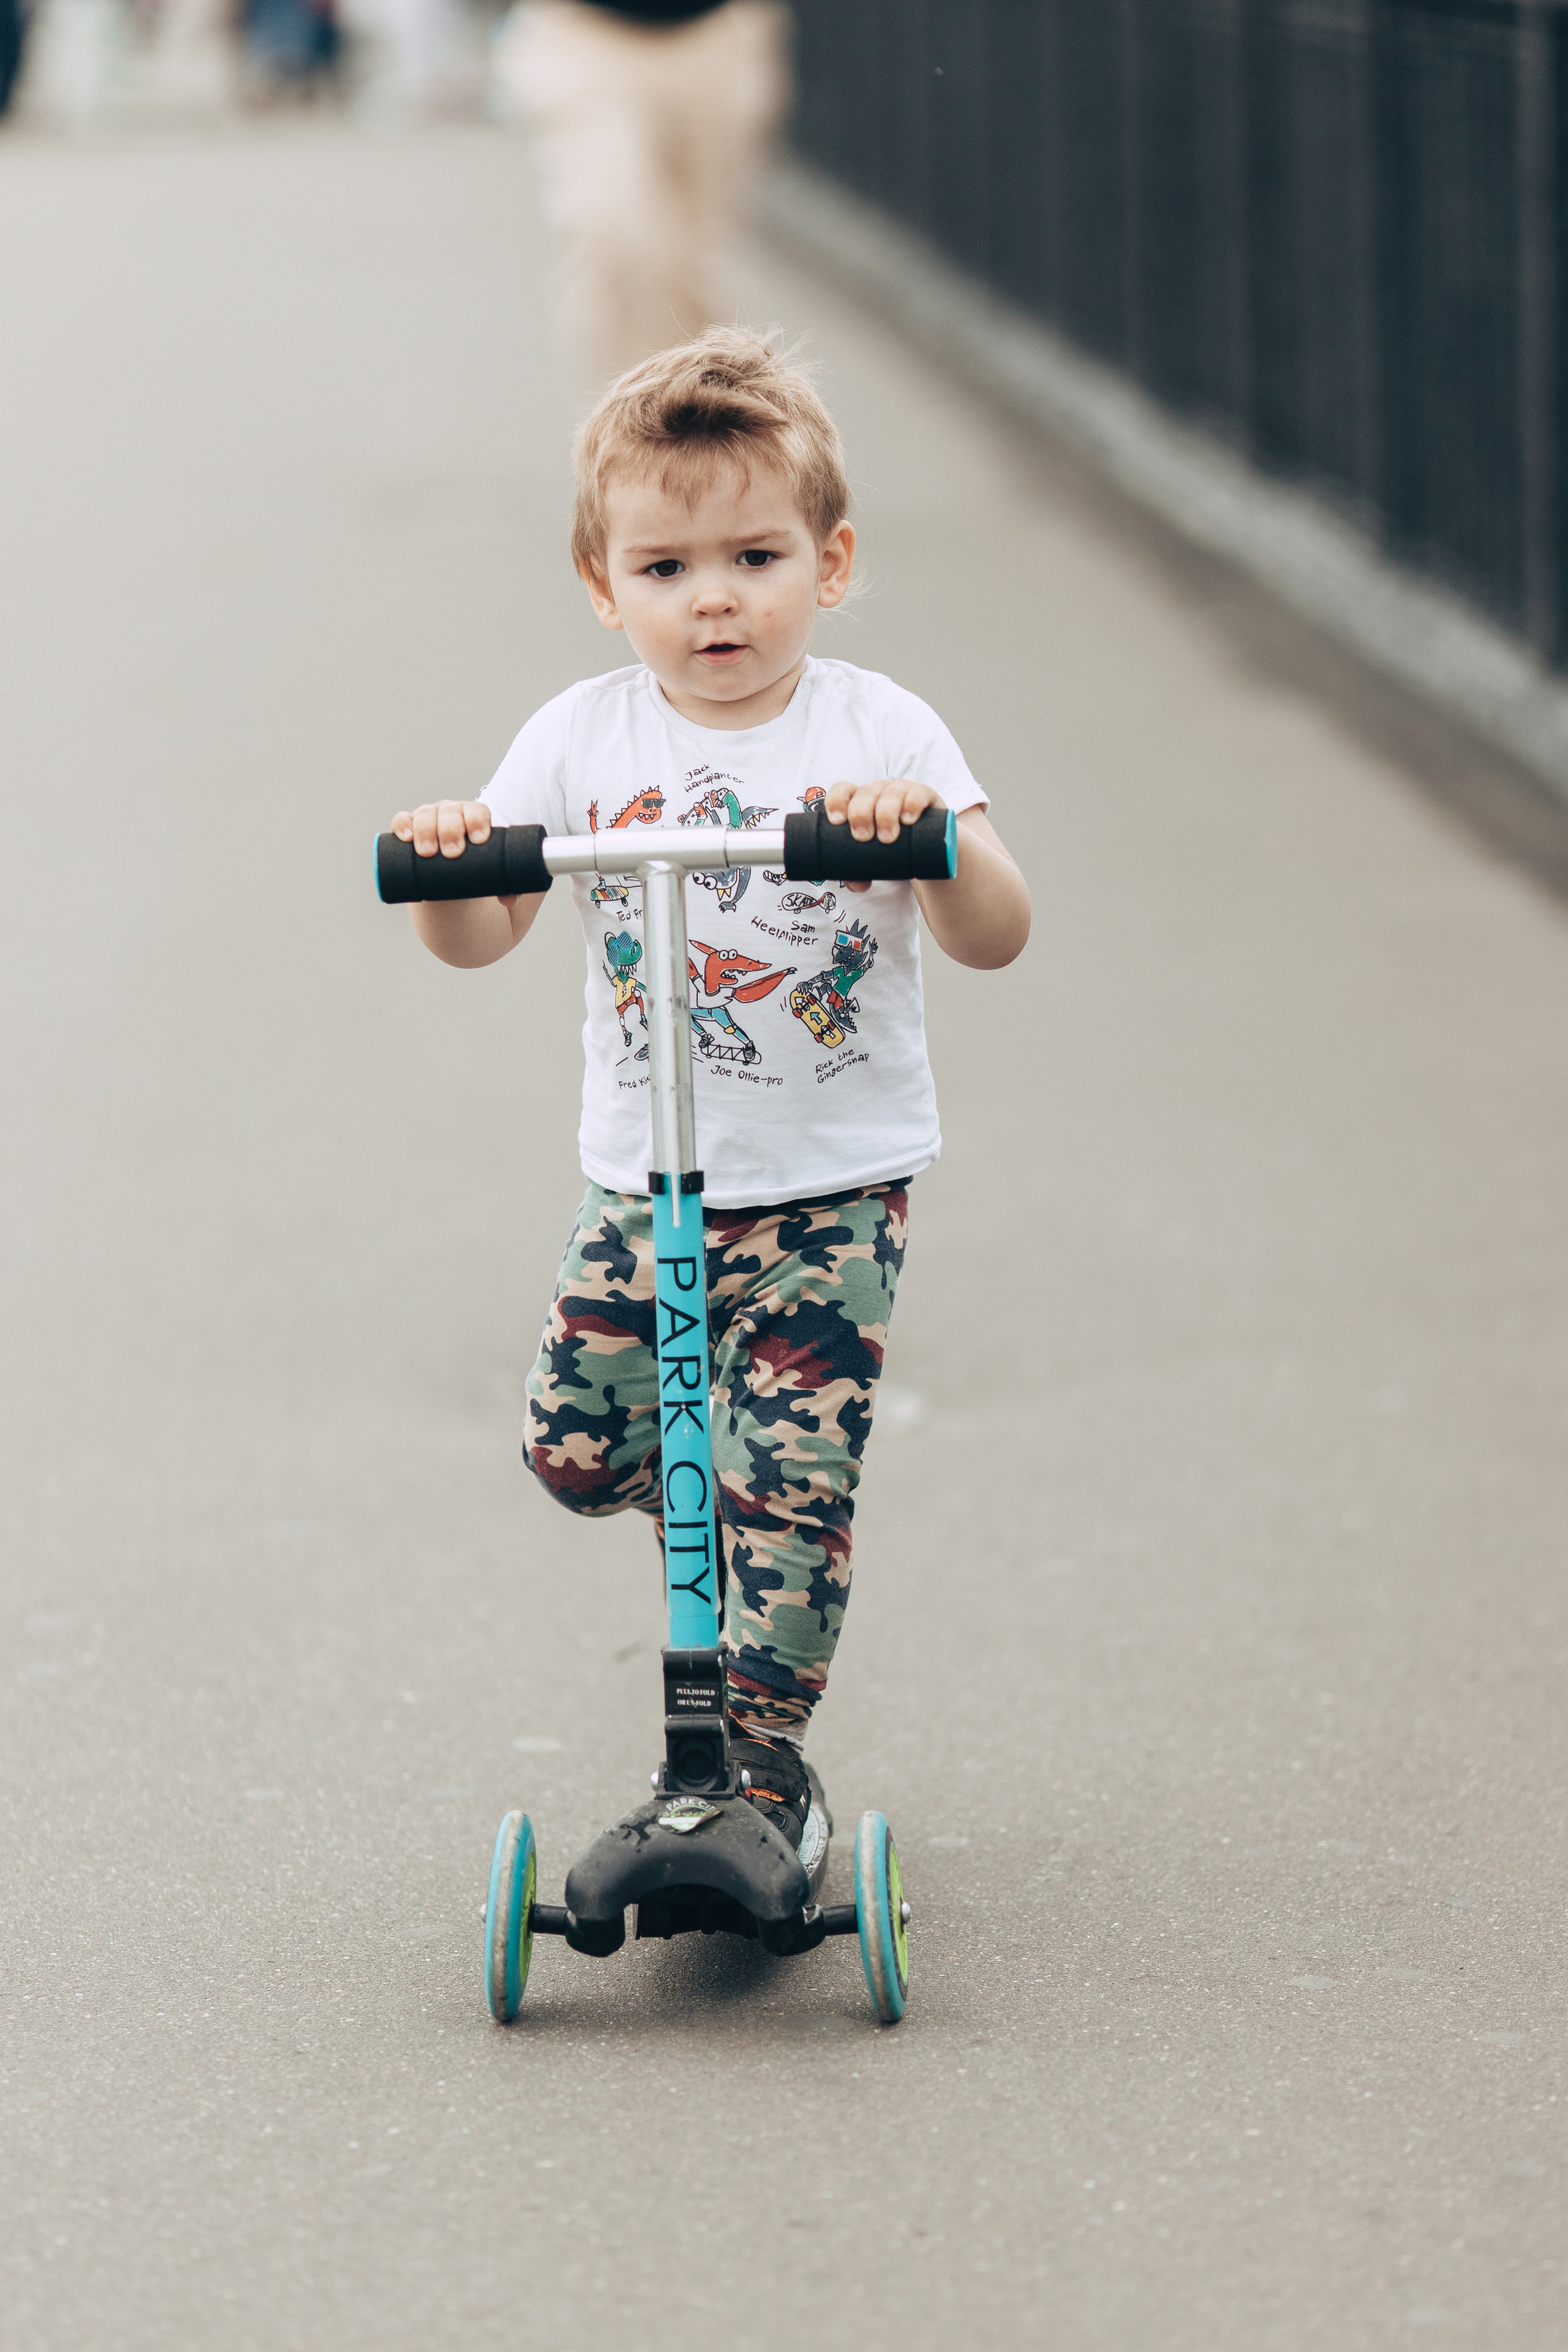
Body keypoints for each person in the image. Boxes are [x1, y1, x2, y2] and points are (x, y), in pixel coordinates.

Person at [388, 329, 1030, 1844]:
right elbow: (480, 936)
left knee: (790, 1511)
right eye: (665, 568)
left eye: (753, 553)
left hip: (827, 1190)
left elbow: (997, 931)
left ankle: (753, 1767)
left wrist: (927, 833)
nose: (714, 597)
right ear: (605, 587)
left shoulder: (880, 730)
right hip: (644, 1181)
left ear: (832, 558)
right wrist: (439, 868)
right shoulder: (579, 736)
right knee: (571, 1446)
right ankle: (709, 1490)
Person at [492, 0, 788, 387]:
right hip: (580, 36)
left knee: (692, 268)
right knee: (610, 232)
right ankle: (624, 436)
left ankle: (699, 420)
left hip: (717, 37)